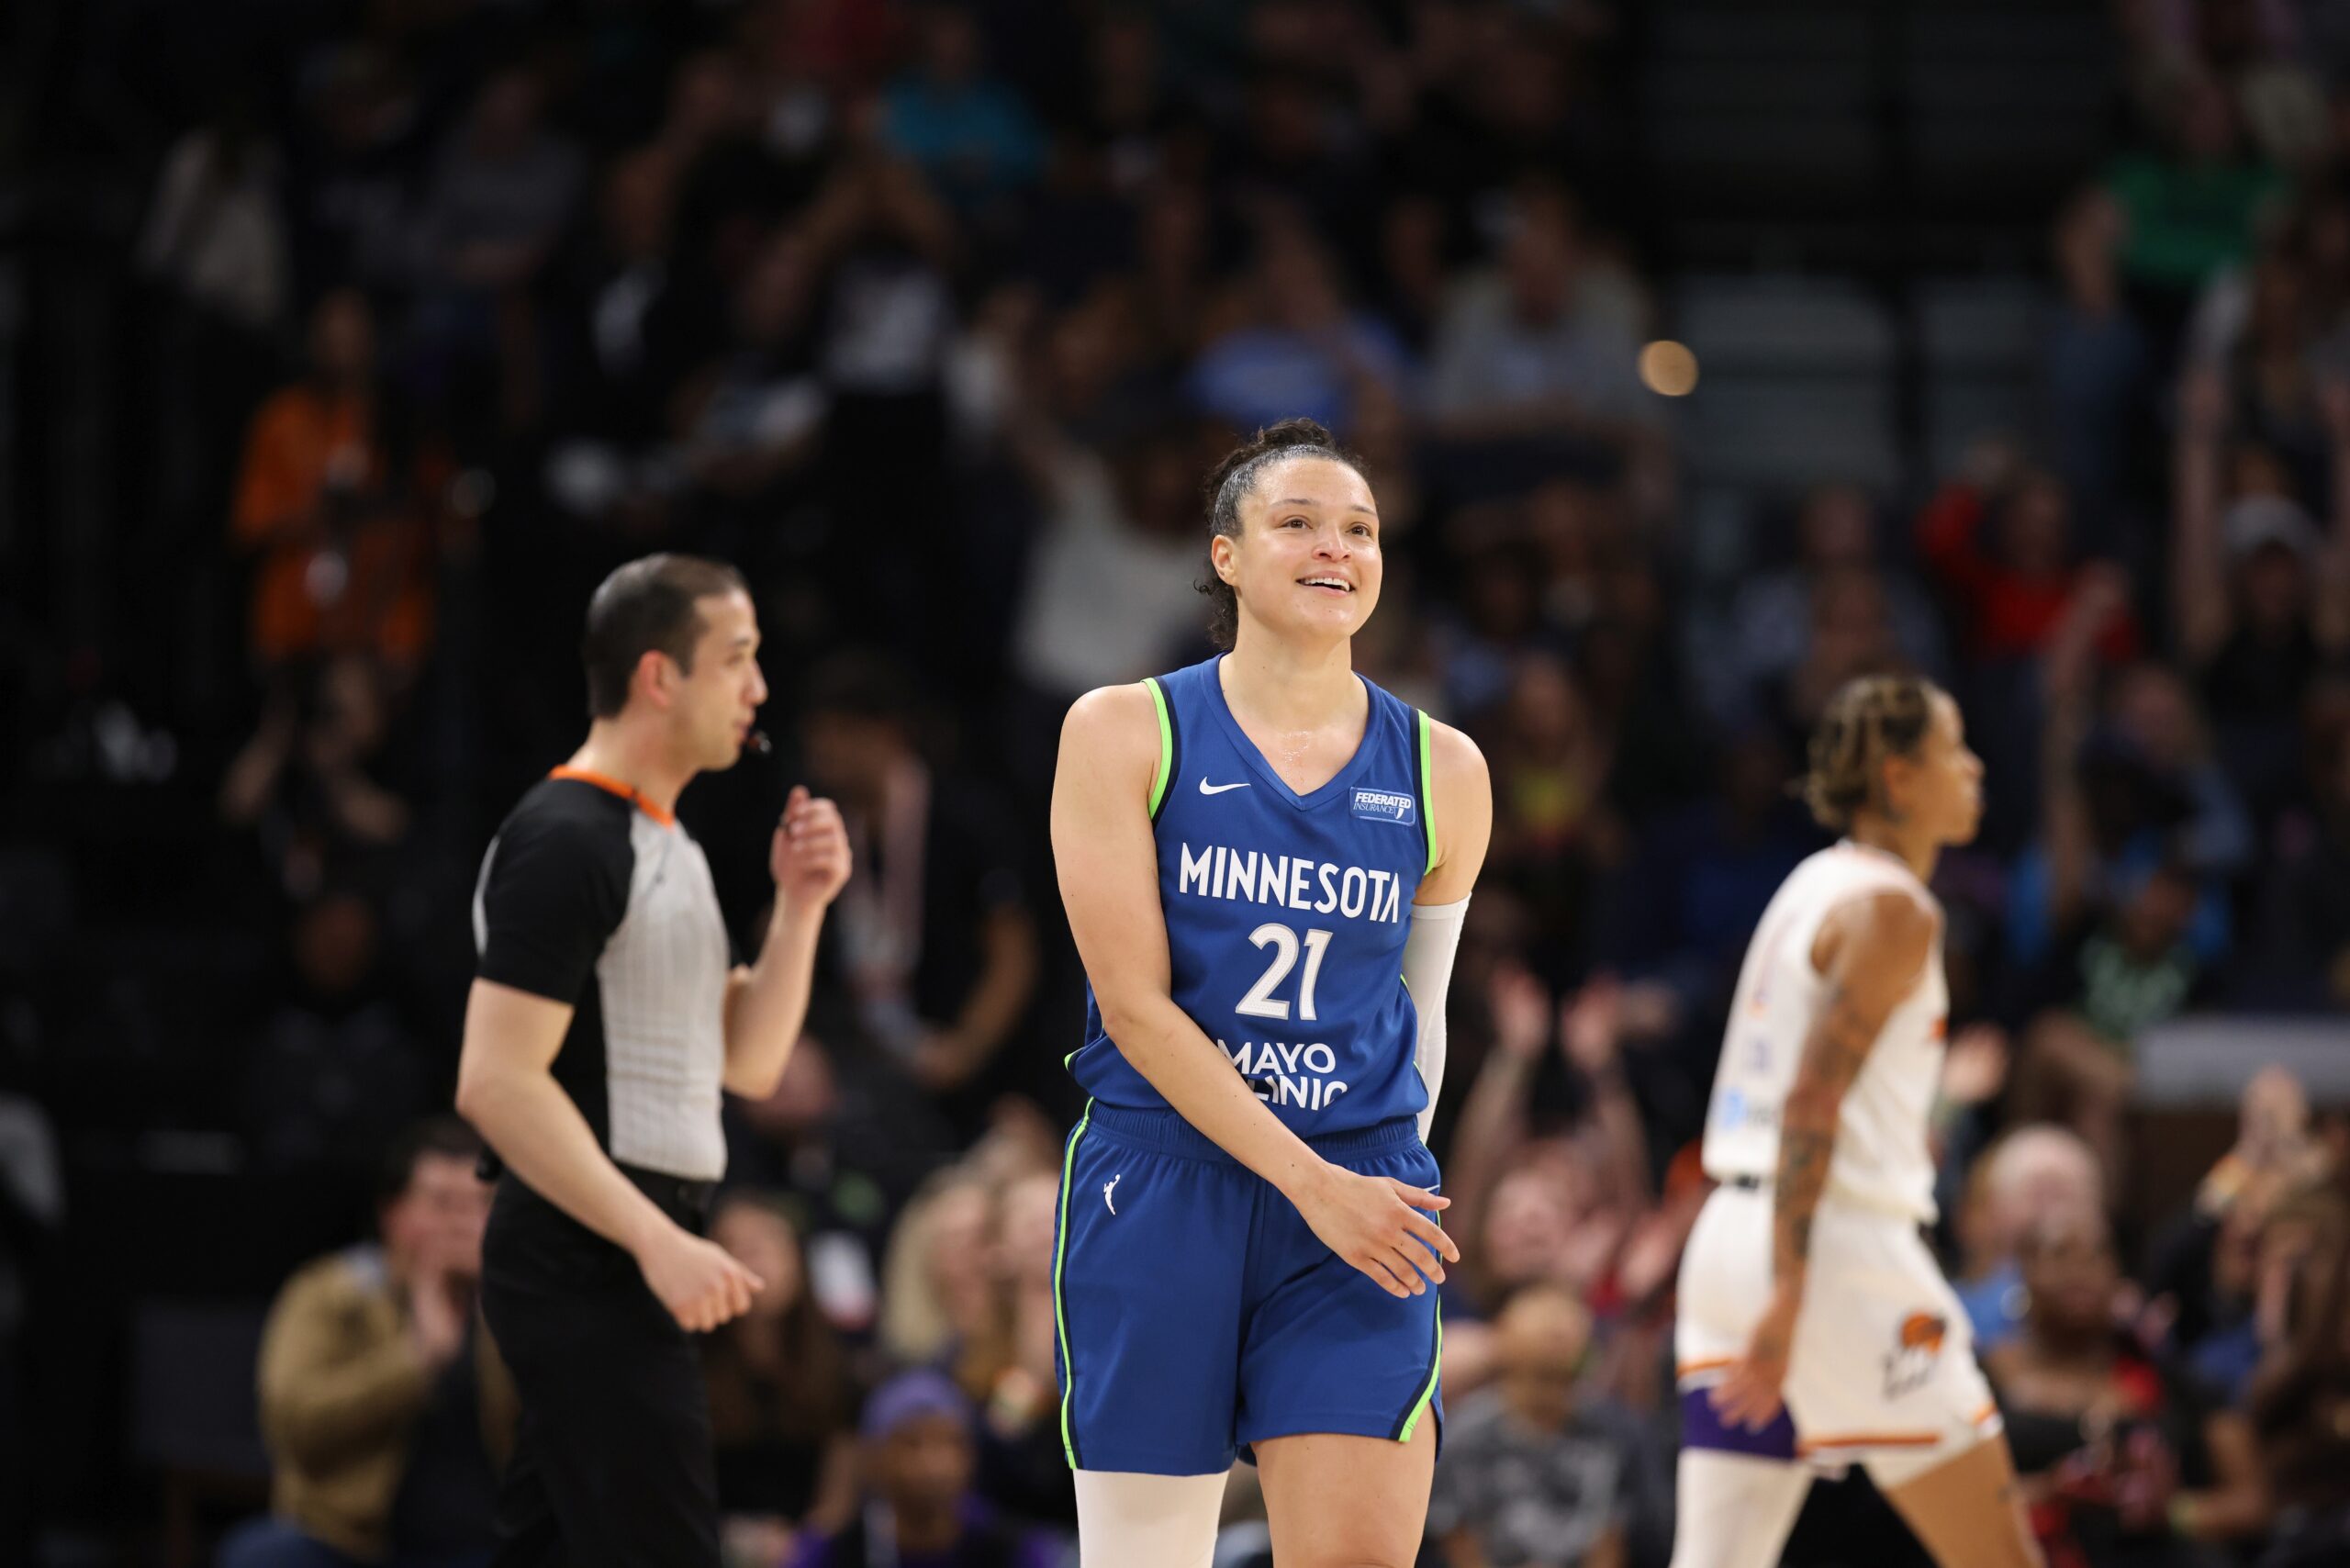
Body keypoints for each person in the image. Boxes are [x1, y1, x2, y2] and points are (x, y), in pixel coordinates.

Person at [1047, 417, 1494, 1566]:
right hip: (1164, 1183)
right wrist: (1312, 1182)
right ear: (1228, 554)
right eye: (1296, 522)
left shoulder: (1444, 765)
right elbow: (1137, 1011)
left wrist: (1379, 1176)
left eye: (1360, 529)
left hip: (1359, 1192)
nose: (1334, 546)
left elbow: (1421, 1009)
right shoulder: (1121, 731)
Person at [456, 553, 852, 1568]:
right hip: (587, 1249)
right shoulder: (565, 838)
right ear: (657, 676)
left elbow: (748, 1063)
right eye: (737, 659)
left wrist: (801, 908)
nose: (759, 690)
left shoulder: (665, 841)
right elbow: (494, 1081)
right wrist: (653, 1241)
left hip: (622, 1246)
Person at [1671, 674, 2042, 1568]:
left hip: (1727, 1240)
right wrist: (1793, 1288)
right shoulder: (1894, 909)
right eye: (1952, 748)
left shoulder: (1808, 882)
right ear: (1897, 775)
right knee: (1998, 1555)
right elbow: (1812, 1098)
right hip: (1830, 1256)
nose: (1974, 766)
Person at [226, 1117, 503, 1568]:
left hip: (481, 1543)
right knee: (261, 1555)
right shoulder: (333, 1295)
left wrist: (504, 1319)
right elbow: (292, 1426)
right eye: (442, 1204)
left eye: (481, 1205)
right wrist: (418, 1359)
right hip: (346, 1542)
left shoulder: (520, 1312)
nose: (463, 1224)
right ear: (392, 1212)